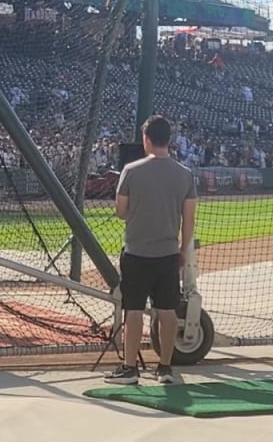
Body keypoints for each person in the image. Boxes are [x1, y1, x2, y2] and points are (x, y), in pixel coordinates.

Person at [105, 115, 197, 385]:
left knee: (133, 310)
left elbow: (120, 211)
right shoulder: (185, 174)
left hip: (136, 252)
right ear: (169, 140)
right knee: (167, 311)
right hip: (168, 252)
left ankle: (130, 367)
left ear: (146, 139)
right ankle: (165, 368)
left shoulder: (132, 170)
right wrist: (183, 249)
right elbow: (189, 218)